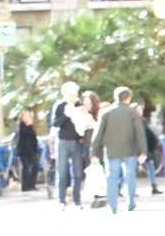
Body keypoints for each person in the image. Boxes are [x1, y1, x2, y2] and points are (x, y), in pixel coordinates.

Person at [90, 87, 147, 213]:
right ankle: (130, 203)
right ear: (128, 98)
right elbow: (139, 132)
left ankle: (113, 205)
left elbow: (98, 134)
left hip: (112, 151)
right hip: (130, 150)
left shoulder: (106, 112)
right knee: (130, 177)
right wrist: (143, 151)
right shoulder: (132, 112)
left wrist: (93, 152)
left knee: (112, 178)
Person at [52, 81, 85, 209]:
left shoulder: (79, 105)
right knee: (62, 173)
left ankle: (77, 200)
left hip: (76, 142)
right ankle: (61, 200)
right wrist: (66, 115)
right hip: (63, 142)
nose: (74, 96)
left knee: (77, 173)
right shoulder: (59, 106)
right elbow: (55, 123)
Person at [15, 109, 41, 192]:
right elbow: (25, 134)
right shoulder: (21, 126)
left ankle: (32, 184)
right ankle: (25, 186)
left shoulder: (31, 126)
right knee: (25, 168)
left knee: (35, 166)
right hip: (24, 150)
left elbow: (33, 137)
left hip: (32, 150)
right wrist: (29, 125)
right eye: (25, 116)